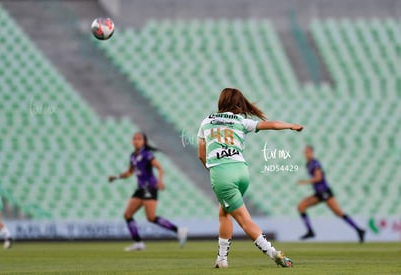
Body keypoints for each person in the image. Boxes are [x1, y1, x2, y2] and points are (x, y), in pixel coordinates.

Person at [197, 88, 303, 268]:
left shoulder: (206, 122)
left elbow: (202, 155)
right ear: (238, 104)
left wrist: (216, 172)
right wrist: (291, 125)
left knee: (244, 220)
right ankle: (221, 259)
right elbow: (272, 124)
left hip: (222, 174)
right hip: (241, 171)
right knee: (224, 213)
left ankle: (274, 254)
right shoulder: (240, 120)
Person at [109, 132, 188, 251]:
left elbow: (160, 168)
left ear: (144, 142)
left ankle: (178, 231)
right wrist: (116, 177)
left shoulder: (147, 154)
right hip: (140, 189)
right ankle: (138, 243)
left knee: (151, 217)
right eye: (134, 138)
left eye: (139, 139)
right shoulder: (133, 156)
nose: (136, 141)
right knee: (127, 215)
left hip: (150, 188)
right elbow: (130, 172)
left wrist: (160, 181)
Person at [297, 145, 365, 242]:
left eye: (307, 152)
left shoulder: (315, 163)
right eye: (305, 152)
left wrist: (305, 182)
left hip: (325, 192)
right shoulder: (308, 164)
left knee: (338, 212)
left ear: (311, 152)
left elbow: (319, 178)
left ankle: (359, 230)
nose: (306, 154)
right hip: (318, 193)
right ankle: (310, 231)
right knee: (301, 206)